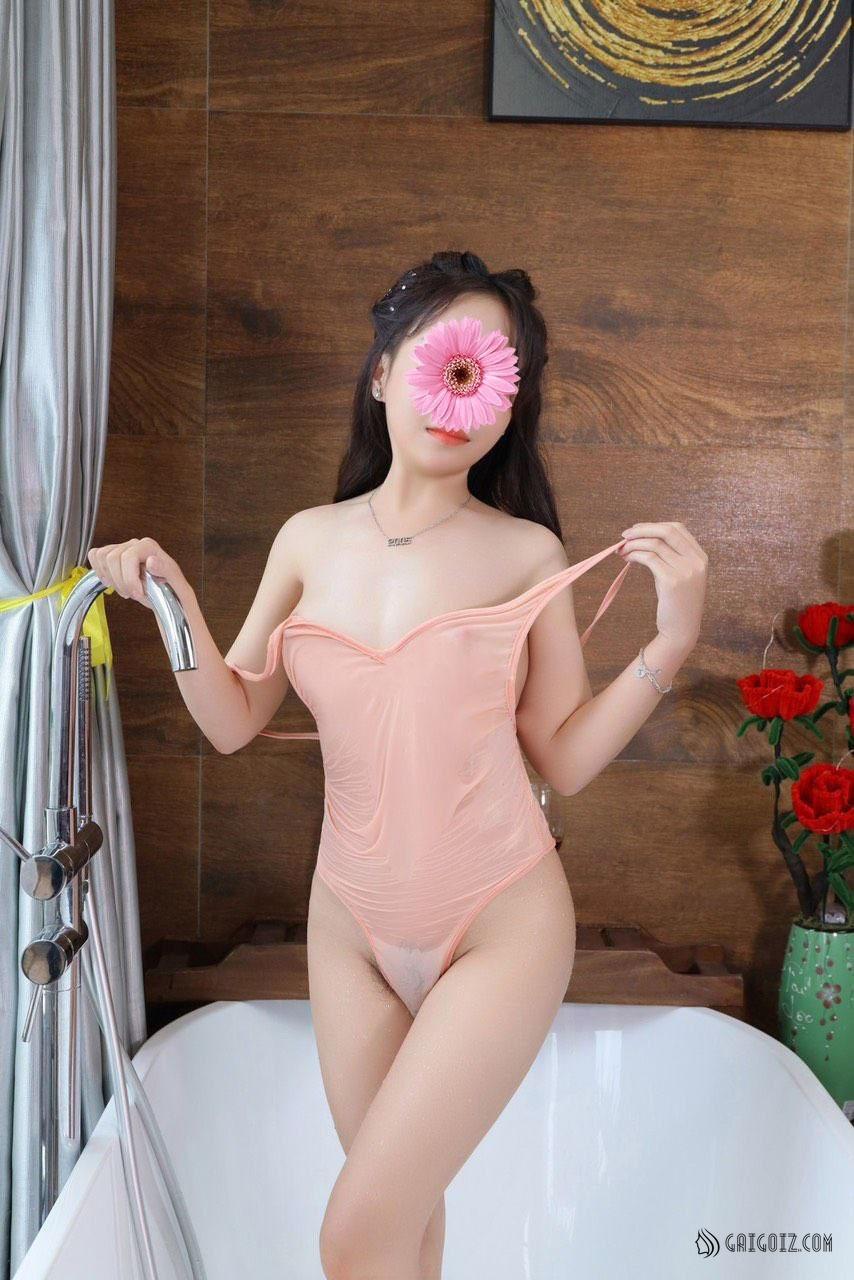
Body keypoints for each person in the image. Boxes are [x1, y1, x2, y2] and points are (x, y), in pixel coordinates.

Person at [88, 250, 707, 1279]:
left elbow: (561, 755)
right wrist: (169, 600)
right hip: (350, 928)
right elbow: (233, 719)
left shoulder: (526, 553)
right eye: (444, 356)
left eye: (492, 374)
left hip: (500, 924)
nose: (462, 391)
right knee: (402, 1231)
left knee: (355, 1235)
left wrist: (670, 641)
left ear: (508, 407)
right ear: (382, 372)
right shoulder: (306, 540)